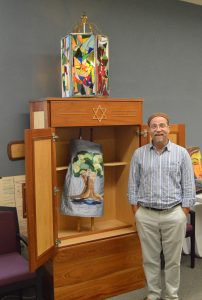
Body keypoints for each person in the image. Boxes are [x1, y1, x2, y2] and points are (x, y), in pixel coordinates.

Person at [128, 112, 196, 300]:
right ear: (148, 130)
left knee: (173, 261)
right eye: (154, 126)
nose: (158, 129)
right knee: (149, 260)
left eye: (162, 125)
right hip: (146, 215)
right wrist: (137, 212)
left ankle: (171, 296)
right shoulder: (139, 154)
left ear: (169, 128)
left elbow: (188, 186)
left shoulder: (181, 153)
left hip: (174, 214)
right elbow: (133, 185)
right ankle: (153, 294)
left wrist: (183, 212)